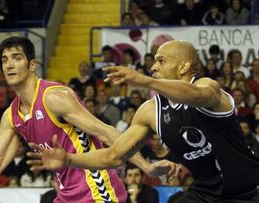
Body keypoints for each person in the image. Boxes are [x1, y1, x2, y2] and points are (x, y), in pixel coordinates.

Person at [0, 37, 177, 203]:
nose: (9, 64)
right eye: (4, 59)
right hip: (66, 195)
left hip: (97, 190)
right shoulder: (11, 115)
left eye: (16, 58)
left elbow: (106, 132)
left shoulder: (53, 96)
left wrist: (145, 167)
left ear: (31, 65)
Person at [28, 40, 259, 202]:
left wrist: (146, 81)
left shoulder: (208, 87)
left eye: (161, 60)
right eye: (153, 62)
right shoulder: (150, 111)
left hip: (249, 190)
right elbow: (114, 155)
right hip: (206, 193)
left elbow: (198, 97)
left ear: (184, 66)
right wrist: (69, 159)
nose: (153, 66)